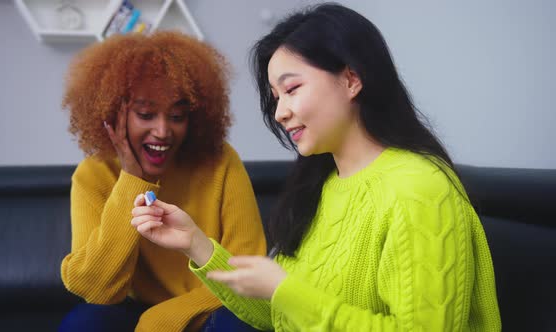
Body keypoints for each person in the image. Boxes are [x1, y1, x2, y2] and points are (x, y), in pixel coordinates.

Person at [131, 3, 501, 331]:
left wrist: (284, 290)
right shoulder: (324, 184)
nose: (279, 113)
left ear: (352, 79)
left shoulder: (420, 190)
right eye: (276, 98)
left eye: (291, 89)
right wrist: (195, 243)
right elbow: (280, 315)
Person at [58, 31, 266, 332]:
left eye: (177, 116)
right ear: (115, 114)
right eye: (146, 114)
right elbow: (97, 289)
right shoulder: (94, 175)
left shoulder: (220, 162)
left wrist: (166, 319)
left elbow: (247, 273)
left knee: (240, 325)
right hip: (131, 310)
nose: (163, 131)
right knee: (83, 323)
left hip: (212, 307)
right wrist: (132, 179)